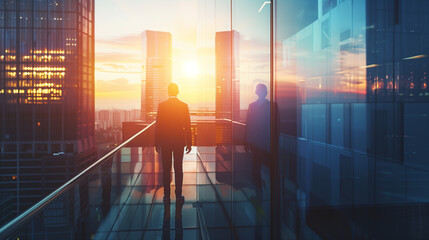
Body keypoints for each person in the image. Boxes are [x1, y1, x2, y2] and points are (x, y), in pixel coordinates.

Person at [155, 83, 192, 208]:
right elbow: (187, 126)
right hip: (179, 141)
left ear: (168, 92)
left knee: (166, 169)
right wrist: (189, 143)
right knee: (178, 168)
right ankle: (178, 195)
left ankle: (166, 196)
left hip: (165, 141)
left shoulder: (162, 106)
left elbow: (158, 126)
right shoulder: (183, 106)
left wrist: (157, 142)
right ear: (178, 91)